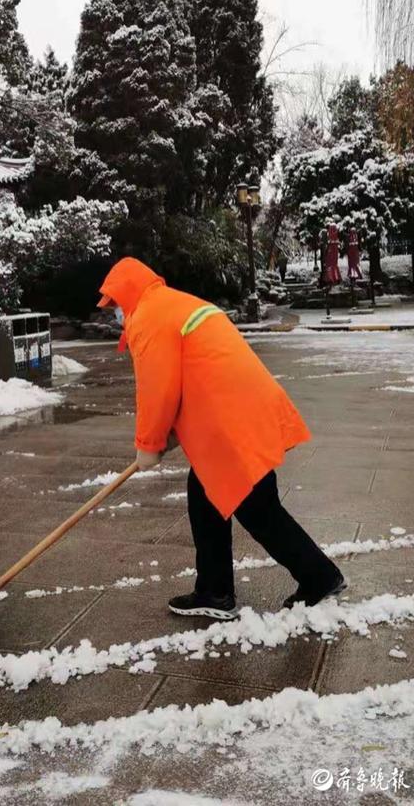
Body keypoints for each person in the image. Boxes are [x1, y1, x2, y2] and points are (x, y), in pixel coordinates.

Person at [97, 256, 345, 621]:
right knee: (207, 497)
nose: (116, 314)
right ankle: (215, 590)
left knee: (258, 510)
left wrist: (148, 444)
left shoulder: (148, 316)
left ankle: (317, 577)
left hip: (230, 422)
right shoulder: (174, 303)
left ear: (125, 293)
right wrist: (167, 437)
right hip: (242, 410)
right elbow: (191, 372)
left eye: (115, 304)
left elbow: (157, 389)